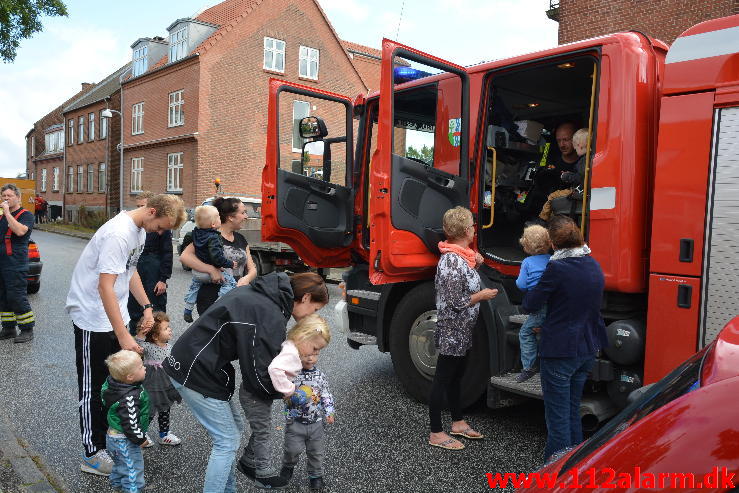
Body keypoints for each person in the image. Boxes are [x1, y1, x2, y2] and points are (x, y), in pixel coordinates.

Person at [164, 272, 328, 493]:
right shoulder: (268, 312)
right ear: (306, 297)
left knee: (234, 430)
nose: (311, 316)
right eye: (315, 310)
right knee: (227, 441)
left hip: (193, 360)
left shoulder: (263, 296)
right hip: (196, 370)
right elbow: (258, 371)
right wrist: (288, 392)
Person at [66, 194, 186, 476]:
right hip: (92, 318)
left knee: (114, 384)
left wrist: (146, 307)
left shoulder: (139, 231)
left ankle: (109, 438)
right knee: (92, 388)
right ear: (152, 211)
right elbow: (105, 287)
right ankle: (92, 453)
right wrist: (123, 336)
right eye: (161, 227)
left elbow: (129, 272)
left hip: (113, 315)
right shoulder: (118, 234)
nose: (160, 233)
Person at [522, 215, 608, 461]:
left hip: (560, 349)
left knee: (557, 417)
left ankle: (555, 473)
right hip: (587, 348)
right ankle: (576, 466)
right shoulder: (592, 263)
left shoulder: (557, 268)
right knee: (571, 410)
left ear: (553, 243)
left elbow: (531, 303)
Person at [429, 206, 498, 451]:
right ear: (466, 230)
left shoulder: (462, 256)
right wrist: (482, 295)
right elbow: (455, 301)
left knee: (456, 377)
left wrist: (476, 266)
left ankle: (457, 422)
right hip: (452, 329)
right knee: (443, 379)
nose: (474, 229)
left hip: (462, 329)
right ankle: (436, 432)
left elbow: (462, 287)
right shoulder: (450, 261)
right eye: (472, 225)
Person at [270, 314, 334, 492]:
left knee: (316, 452)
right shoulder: (292, 370)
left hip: (316, 424)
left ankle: (316, 475)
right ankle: (288, 466)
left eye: (316, 353)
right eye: (310, 351)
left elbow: (326, 394)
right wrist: (288, 394)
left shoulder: (320, 376)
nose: (311, 357)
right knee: (292, 449)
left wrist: (329, 411)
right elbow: (280, 384)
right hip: (295, 421)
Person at [179, 197, 257, 315]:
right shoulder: (209, 235)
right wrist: (211, 269)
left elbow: (252, 269)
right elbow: (185, 257)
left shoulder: (241, 239)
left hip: (236, 297)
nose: (246, 216)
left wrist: (247, 278)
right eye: (243, 213)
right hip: (210, 299)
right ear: (230, 217)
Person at [101, 350, 150, 493]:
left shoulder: (114, 385)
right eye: (141, 367)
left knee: (120, 466)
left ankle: (117, 487)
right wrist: (140, 439)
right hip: (125, 441)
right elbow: (130, 423)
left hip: (113, 437)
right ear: (130, 377)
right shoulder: (129, 398)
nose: (145, 367)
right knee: (132, 474)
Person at [127, 191, 173, 333]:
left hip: (154, 268)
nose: (140, 209)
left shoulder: (161, 226)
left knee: (155, 306)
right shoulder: (133, 227)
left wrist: (163, 279)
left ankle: (156, 340)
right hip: (137, 265)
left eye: (143, 205)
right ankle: (135, 337)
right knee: (134, 304)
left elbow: (167, 252)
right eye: (138, 206)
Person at [182, 205, 237, 323]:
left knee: (195, 286)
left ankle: (188, 308)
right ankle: (219, 303)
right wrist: (229, 263)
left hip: (198, 272)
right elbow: (216, 257)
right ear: (213, 224)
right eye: (217, 216)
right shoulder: (214, 237)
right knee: (231, 282)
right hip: (210, 274)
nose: (220, 218)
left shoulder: (196, 233)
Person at [135, 312, 181, 447]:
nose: (170, 330)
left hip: (167, 385)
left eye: (169, 327)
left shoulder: (170, 347)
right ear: (155, 336)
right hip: (152, 385)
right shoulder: (149, 347)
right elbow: (138, 343)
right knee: (148, 410)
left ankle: (164, 434)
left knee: (165, 409)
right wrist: (143, 332)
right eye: (166, 328)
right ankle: (141, 434)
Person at [515, 225, 552, 383]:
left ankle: (528, 368)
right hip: (554, 304)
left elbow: (522, 285)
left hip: (538, 306)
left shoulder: (527, 262)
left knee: (525, 333)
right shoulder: (552, 259)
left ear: (527, 245)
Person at [0, 183, 36, 343]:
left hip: (15, 263)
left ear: (18, 197)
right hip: (2, 263)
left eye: (9, 196)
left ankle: (27, 329)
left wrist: (7, 213)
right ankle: (8, 328)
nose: (6, 198)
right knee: (4, 296)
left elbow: (20, 231)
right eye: (3, 196)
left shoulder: (26, 215)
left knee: (16, 296)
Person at [539, 128, 589, 221]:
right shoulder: (588, 160)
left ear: (581, 146)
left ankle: (543, 220)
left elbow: (581, 178)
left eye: (566, 140)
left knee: (552, 197)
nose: (562, 144)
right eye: (558, 141)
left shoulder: (584, 161)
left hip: (578, 192)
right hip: (579, 191)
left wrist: (567, 176)